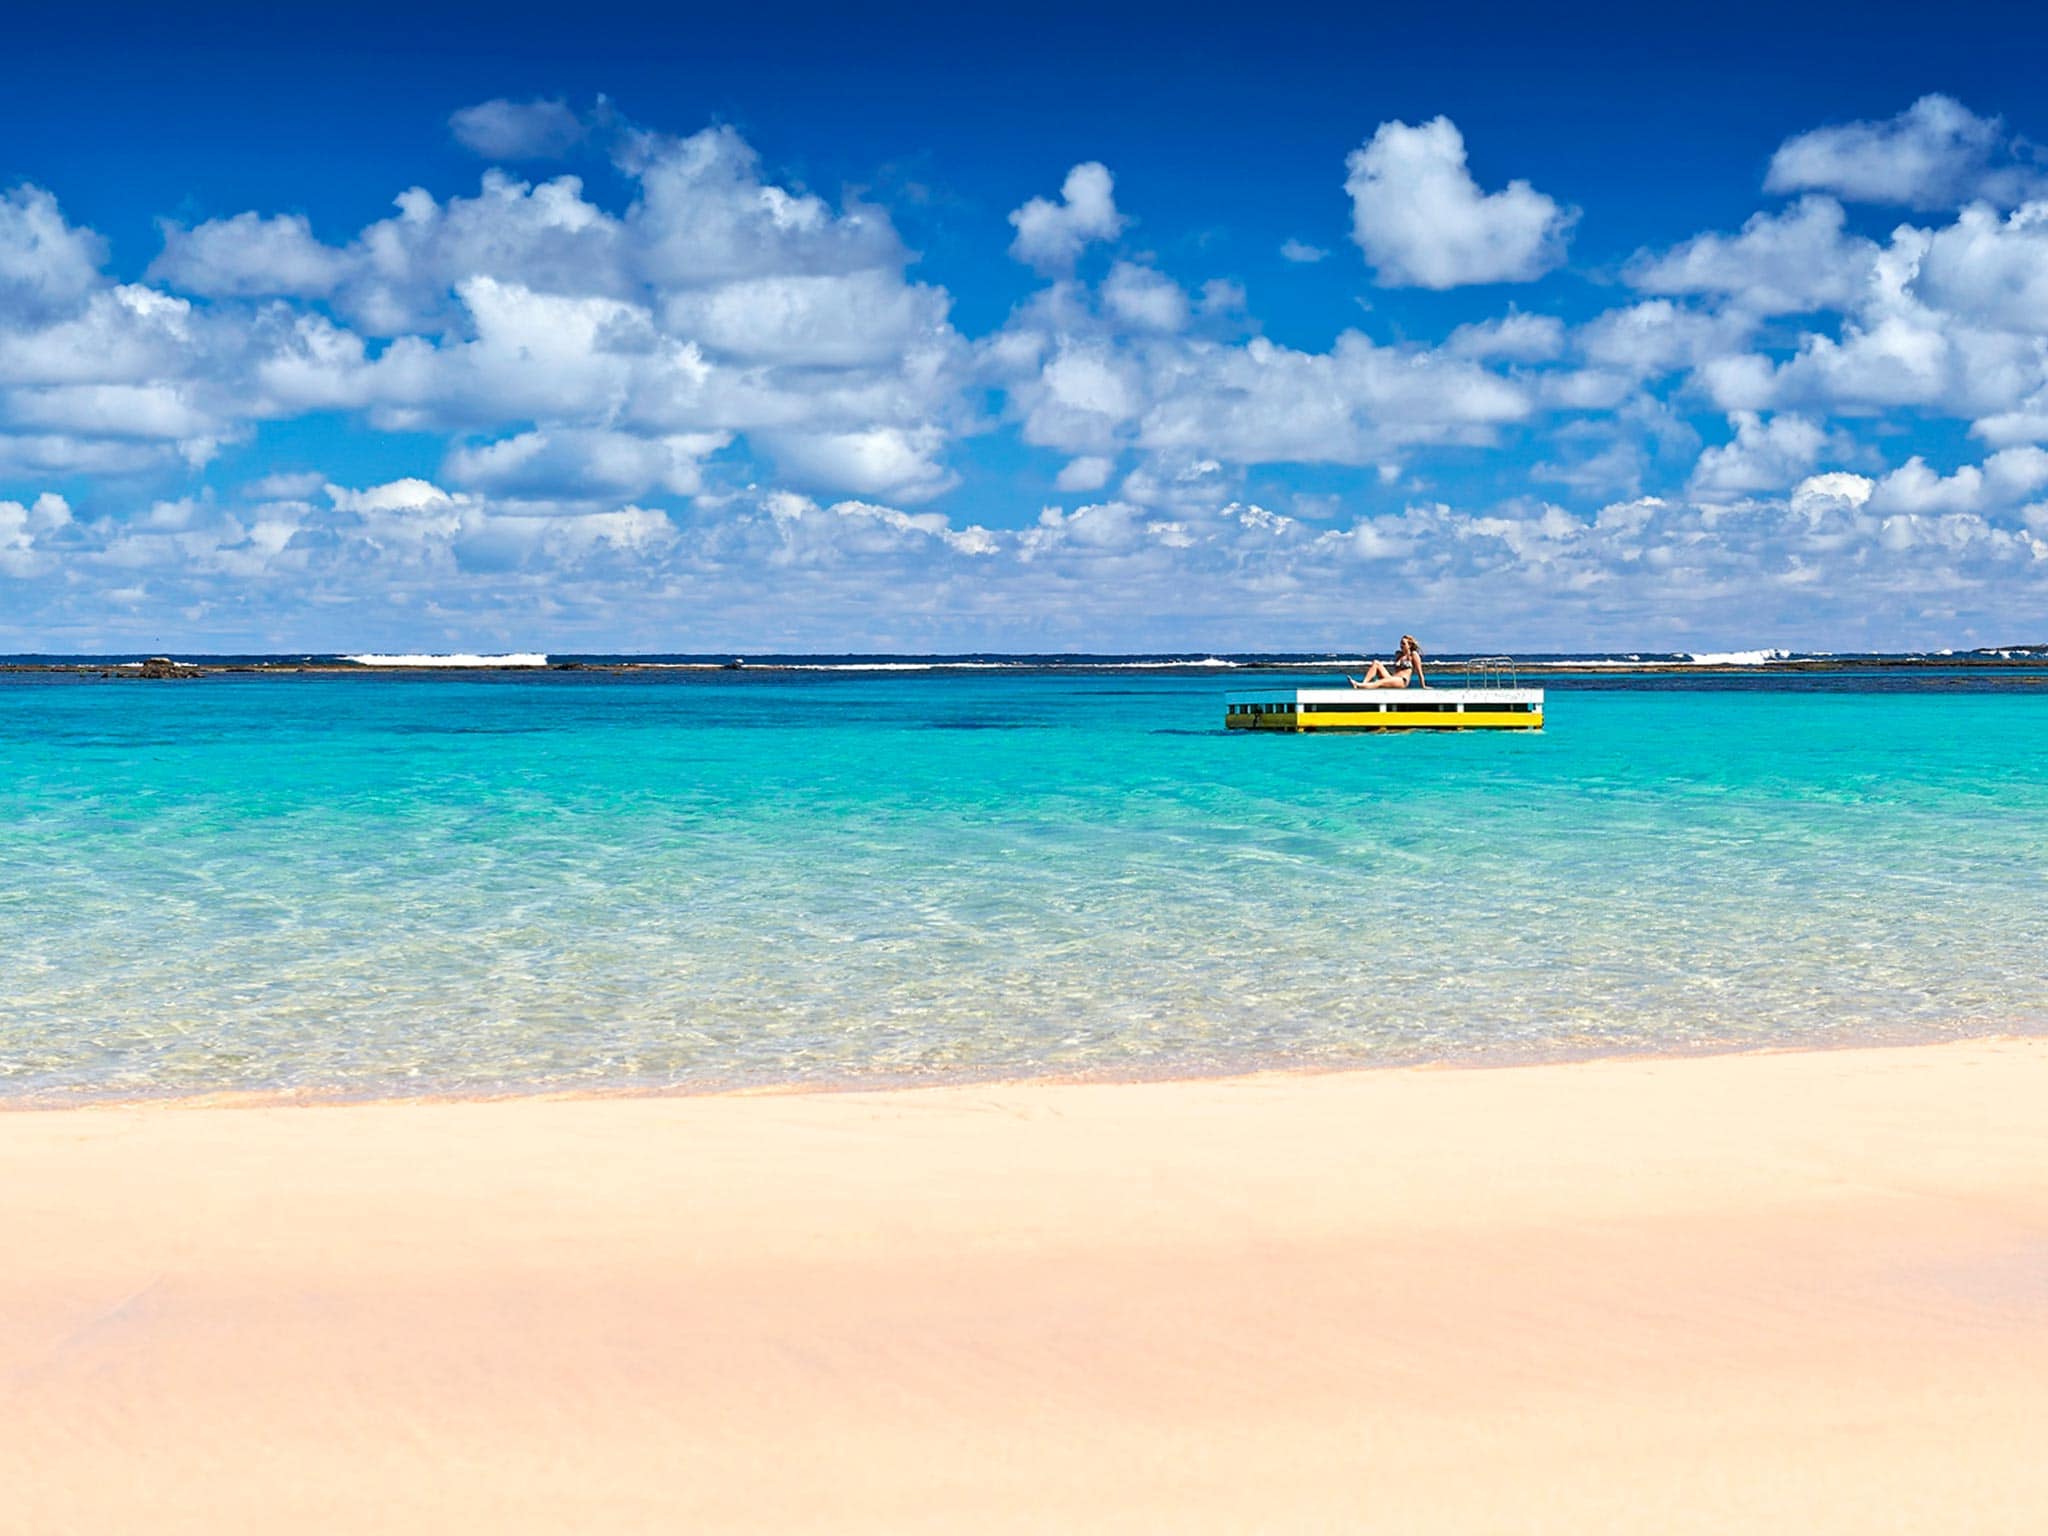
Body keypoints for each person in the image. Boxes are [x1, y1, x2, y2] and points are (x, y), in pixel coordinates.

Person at [1349, 635, 1426, 690]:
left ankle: (1359, 685)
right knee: (1376, 663)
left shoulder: (1413, 655)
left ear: (1409, 645)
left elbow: (1420, 672)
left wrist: (1423, 686)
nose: (1401, 645)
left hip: (1402, 681)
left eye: (1403, 643)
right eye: (1400, 643)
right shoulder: (1399, 655)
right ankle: (1364, 683)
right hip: (1393, 678)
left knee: (1379, 682)